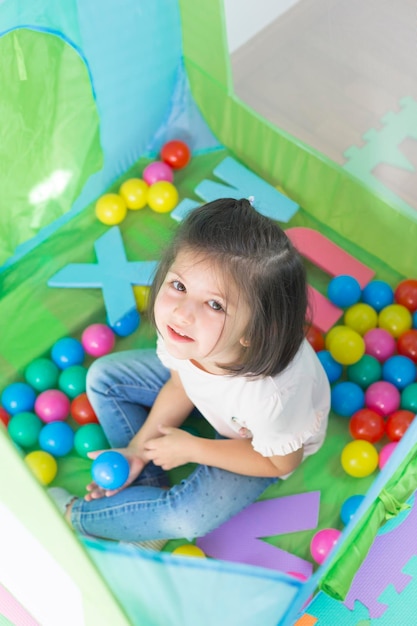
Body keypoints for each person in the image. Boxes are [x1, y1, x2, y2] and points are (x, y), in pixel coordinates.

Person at [50, 197, 330, 545]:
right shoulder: (186, 330)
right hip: (218, 399)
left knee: (185, 518)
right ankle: (147, 503)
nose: (182, 312)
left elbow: (281, 463)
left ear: (252, 330)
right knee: (103, 378)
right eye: (179, 286)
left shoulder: (269, 396)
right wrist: (138, 450)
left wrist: (192, 448)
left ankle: (73, 516)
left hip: (256, 445)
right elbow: (182, 383)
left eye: (215, 304)